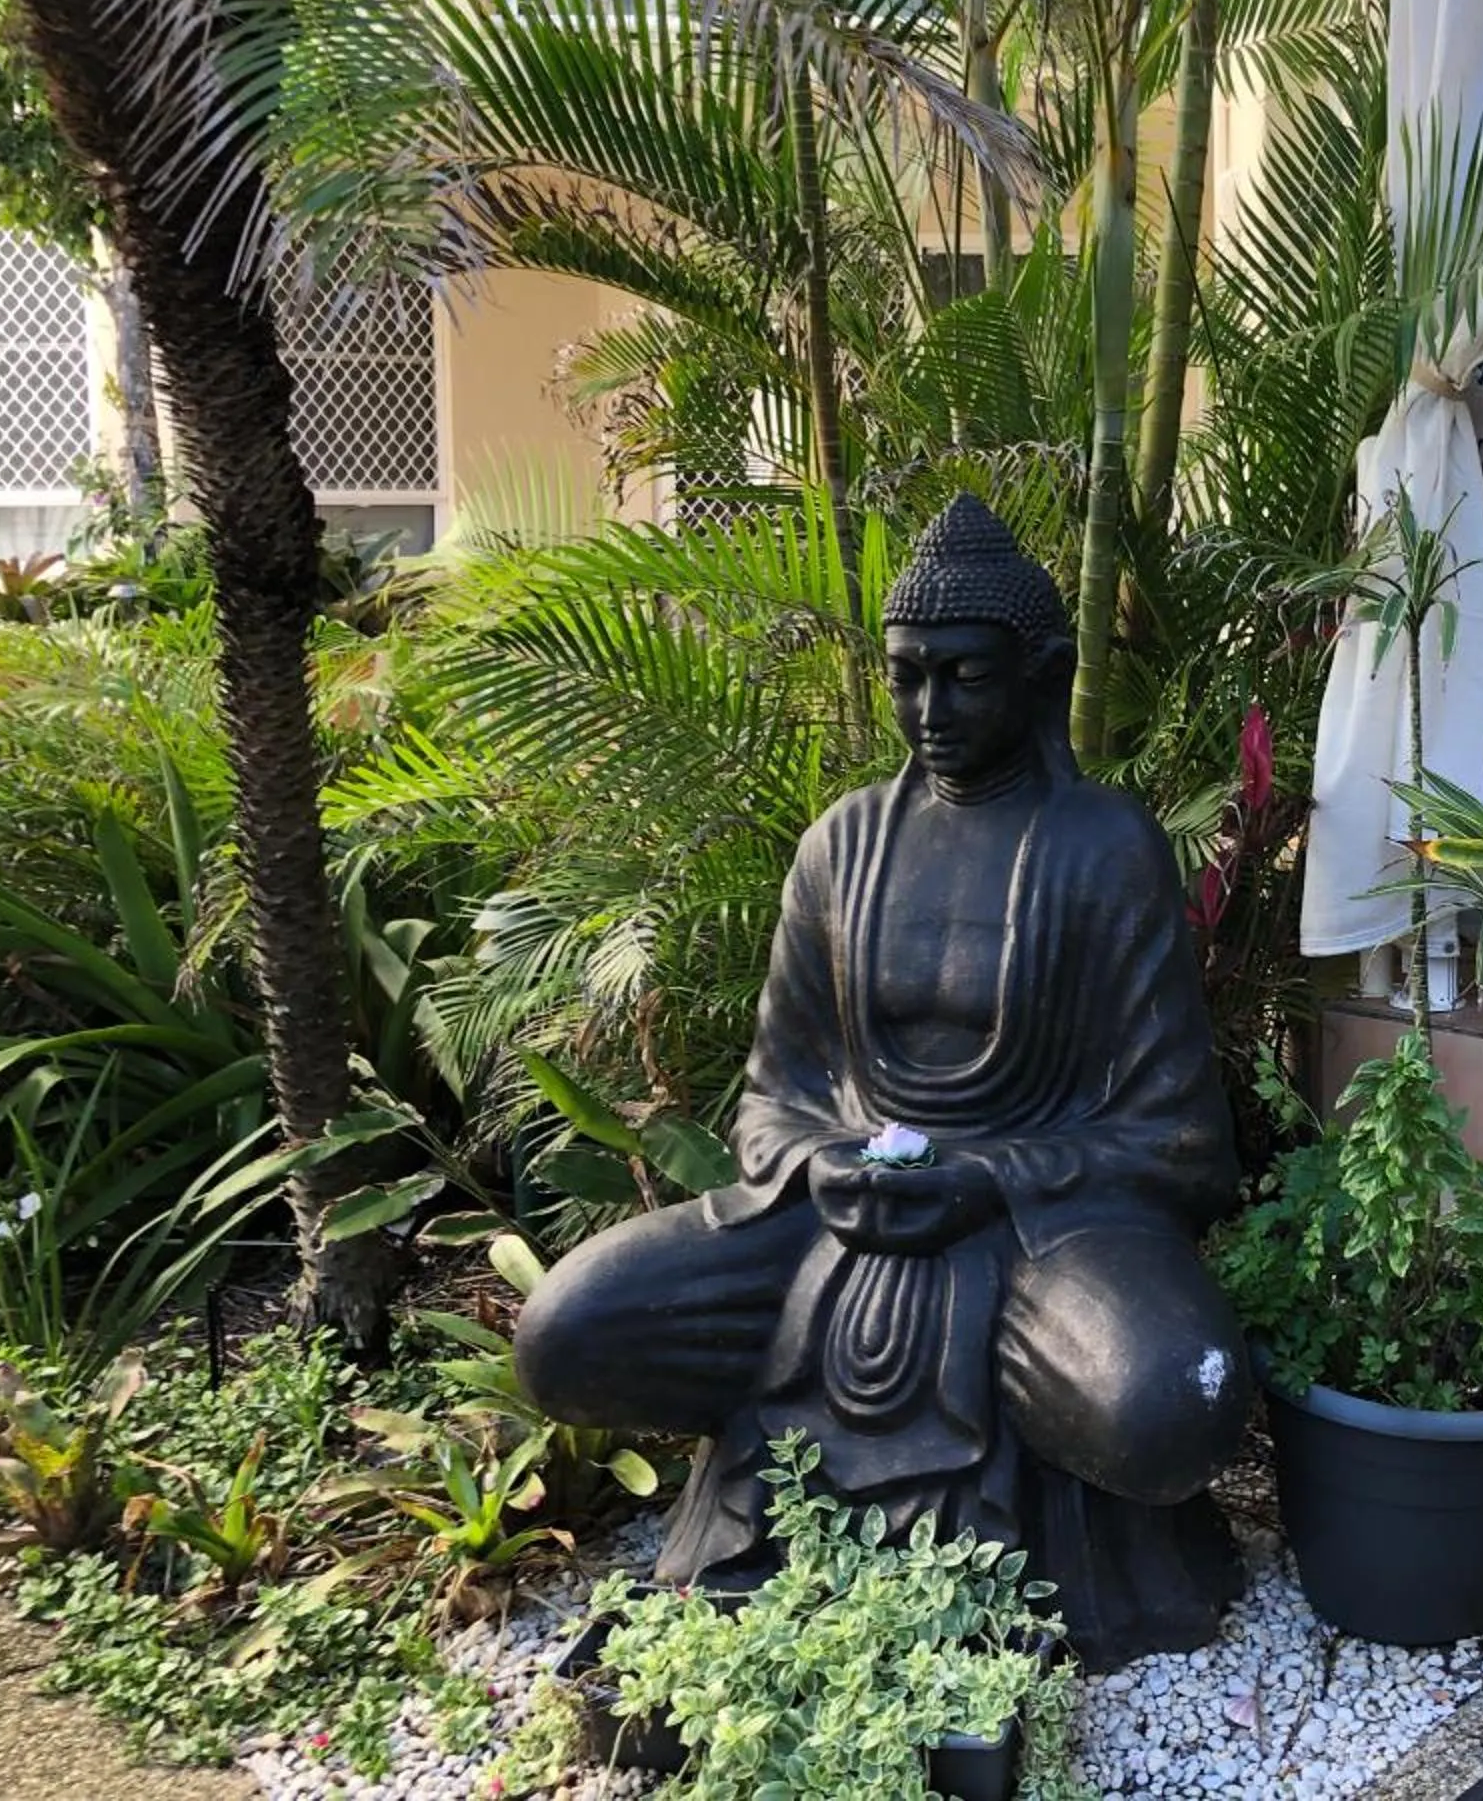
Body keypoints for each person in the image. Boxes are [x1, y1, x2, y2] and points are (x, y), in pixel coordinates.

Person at [514, 495, 1250, 1665]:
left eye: (964, 677)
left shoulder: (1107, 848)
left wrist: (989, 1180)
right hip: (830, 1216)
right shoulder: (840, 845)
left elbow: (1178, 1140)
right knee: (565, 1333)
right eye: (906, 678)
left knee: (1171, 1404)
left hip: (1047, 1236)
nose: (931, 711)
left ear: (1042, 674)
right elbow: (773, 1094)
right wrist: (822, 1160)